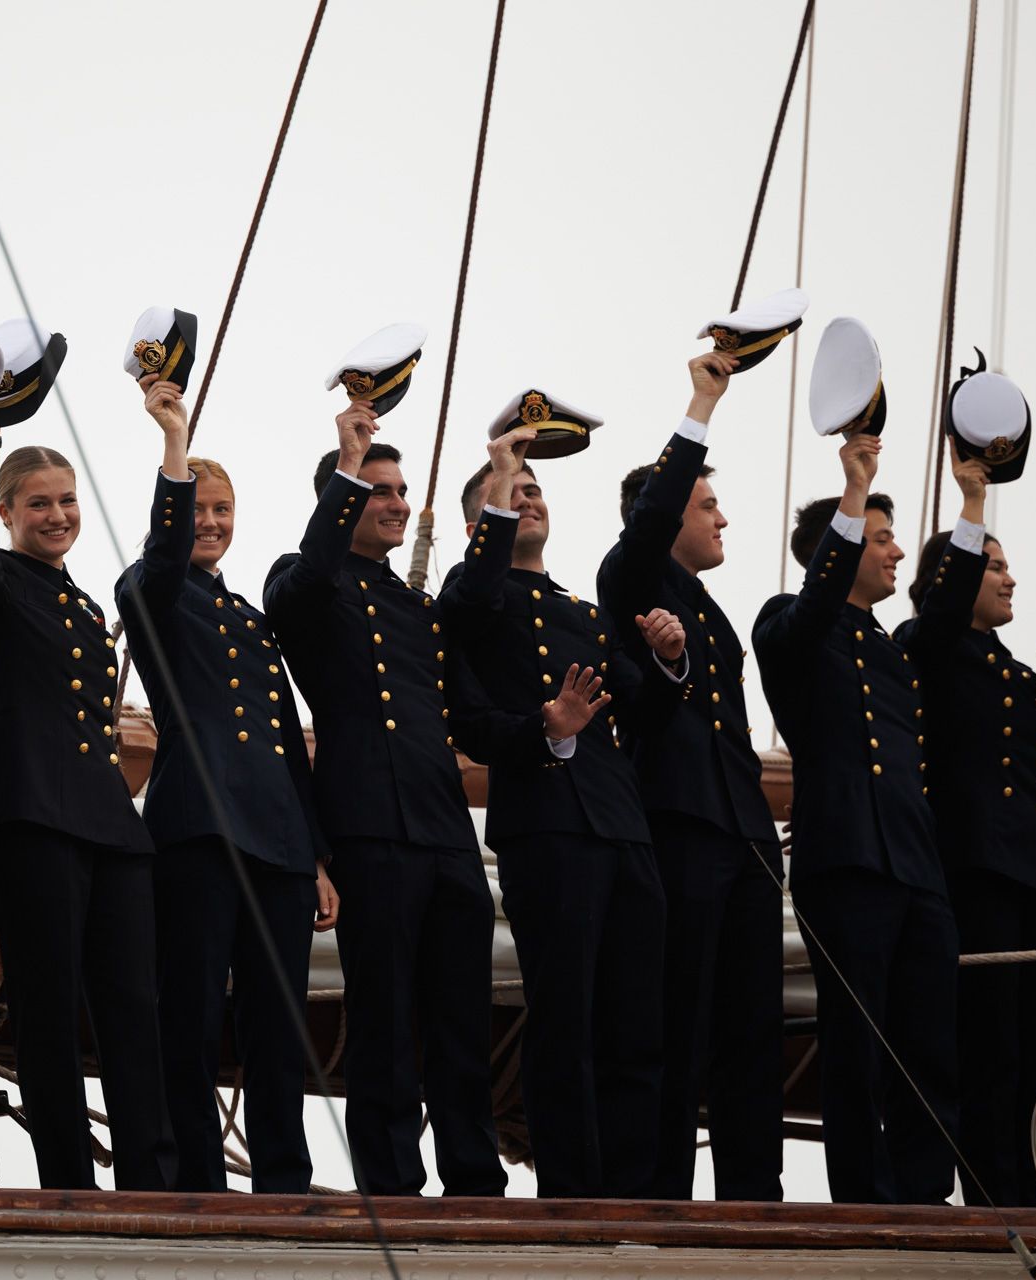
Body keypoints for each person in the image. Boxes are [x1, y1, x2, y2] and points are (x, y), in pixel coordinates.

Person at [263, 398, 508, 1198]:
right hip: (367, 826)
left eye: (402, 491)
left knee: (463, 1018)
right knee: (385, 1019)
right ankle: (393, 1184)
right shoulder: (305, 584)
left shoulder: (421, 612)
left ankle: (474, 1177)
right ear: (338, 503)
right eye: (379, 491)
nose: (398, 502)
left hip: (443, 831)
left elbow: (471, 718)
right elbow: (307, 580)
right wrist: (346, 457)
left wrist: (549, 727)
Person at [440, 425, 685, 1200]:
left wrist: (666, 656)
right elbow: (474, 723)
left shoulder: (578, 607)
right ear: (481, 525)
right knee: (565, 1019)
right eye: (509, 493)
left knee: (637, 1022)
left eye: (534, 490)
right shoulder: (471, 597)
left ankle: (637, 1191)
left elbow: (639, 699)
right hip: (546, 825)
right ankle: (575, 1192)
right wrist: (547, 730)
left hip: (620, 825)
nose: (527, 497)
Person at [112, 375, 337, 1193]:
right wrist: (174, 448)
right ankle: (197, 1179)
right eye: (198, 509)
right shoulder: (150, 590)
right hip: (199, 832)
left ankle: (284, 1176)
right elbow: (162, 560)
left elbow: (284, 744)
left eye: (222, 510)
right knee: (193, 1011)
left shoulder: (248, 616)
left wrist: (313, 855)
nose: (210, 523)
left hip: (276, 841)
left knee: (278, 1022)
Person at [754, 434, 987, 1204]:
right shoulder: (789, 623)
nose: (895, 555)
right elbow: (816, 604)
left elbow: (948, 609)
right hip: (847, 861)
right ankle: (865, 1196)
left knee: (930, 1043)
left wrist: (974, 504)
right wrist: (855, 491)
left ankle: (924, 1192)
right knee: (860, 1043)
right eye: (881, 539)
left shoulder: (895, 648)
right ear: (838, 546)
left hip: (915, 868)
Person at [0, 408, 176, 1191]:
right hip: (33, 817)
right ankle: (70, 1187)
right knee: (47, 1010)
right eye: (38, 503)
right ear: (9, 513)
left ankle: (152, 1182)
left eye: (67, 501)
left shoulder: (81, 604)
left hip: (109, 824)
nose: (57, 516)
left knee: (132, 1012)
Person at [592, 352, 784, 1202]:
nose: (724, 521)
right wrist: (701, 404)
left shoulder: (712, 611)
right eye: (708, 505)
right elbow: (649, 525)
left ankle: (755, 1197)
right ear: (664, 515)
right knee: (676, 1023)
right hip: (676, 828)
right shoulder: (629, 575)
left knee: (752, 1030)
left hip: (743, 837)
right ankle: (664, 1195)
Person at [898, 517, 1036, 1209]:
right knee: (988, 1046)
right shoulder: (927, 646)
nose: (1009, 578)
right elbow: (936, 620)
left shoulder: (1019, 672)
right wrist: (973, 506)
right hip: (976, 868)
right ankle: (993, 1203)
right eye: (992, 565)